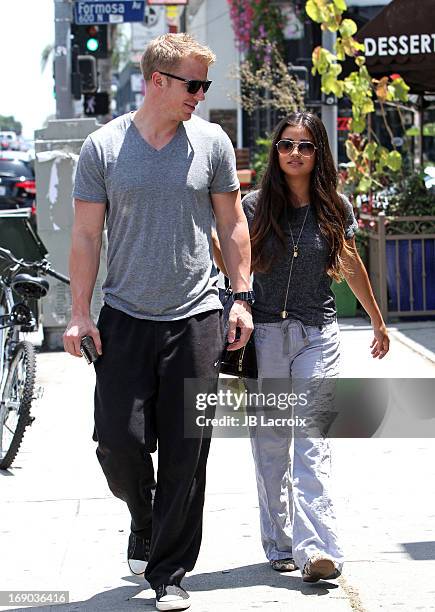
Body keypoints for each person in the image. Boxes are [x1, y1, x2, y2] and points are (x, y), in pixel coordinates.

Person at [63, 33, 253, 611]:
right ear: (157, 81)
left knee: (187, 450)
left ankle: (169, 572)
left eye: (204, 84)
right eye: (192, 84)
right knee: (117, 443)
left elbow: (233, 226)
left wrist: (241, 296)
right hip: (124, 317)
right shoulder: (103, 147)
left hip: (198, 315)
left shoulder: (212, 143)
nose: (200, 95)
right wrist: (78, 313)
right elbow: (86, 235)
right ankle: (143, 517)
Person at [213, 111, 389, 583]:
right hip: (265, 334)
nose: (294, 153)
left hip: (318, 333)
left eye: (305, 146)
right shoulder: (253, 206)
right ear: (276, 151)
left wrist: (377, 320)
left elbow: (351, 266)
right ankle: (281, 542)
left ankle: (318, 550)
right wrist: (236, 293)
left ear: (319, 153)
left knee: (311, 443)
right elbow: (224, 248)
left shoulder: (336, 207)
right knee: (272, 445)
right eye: (286, 144)